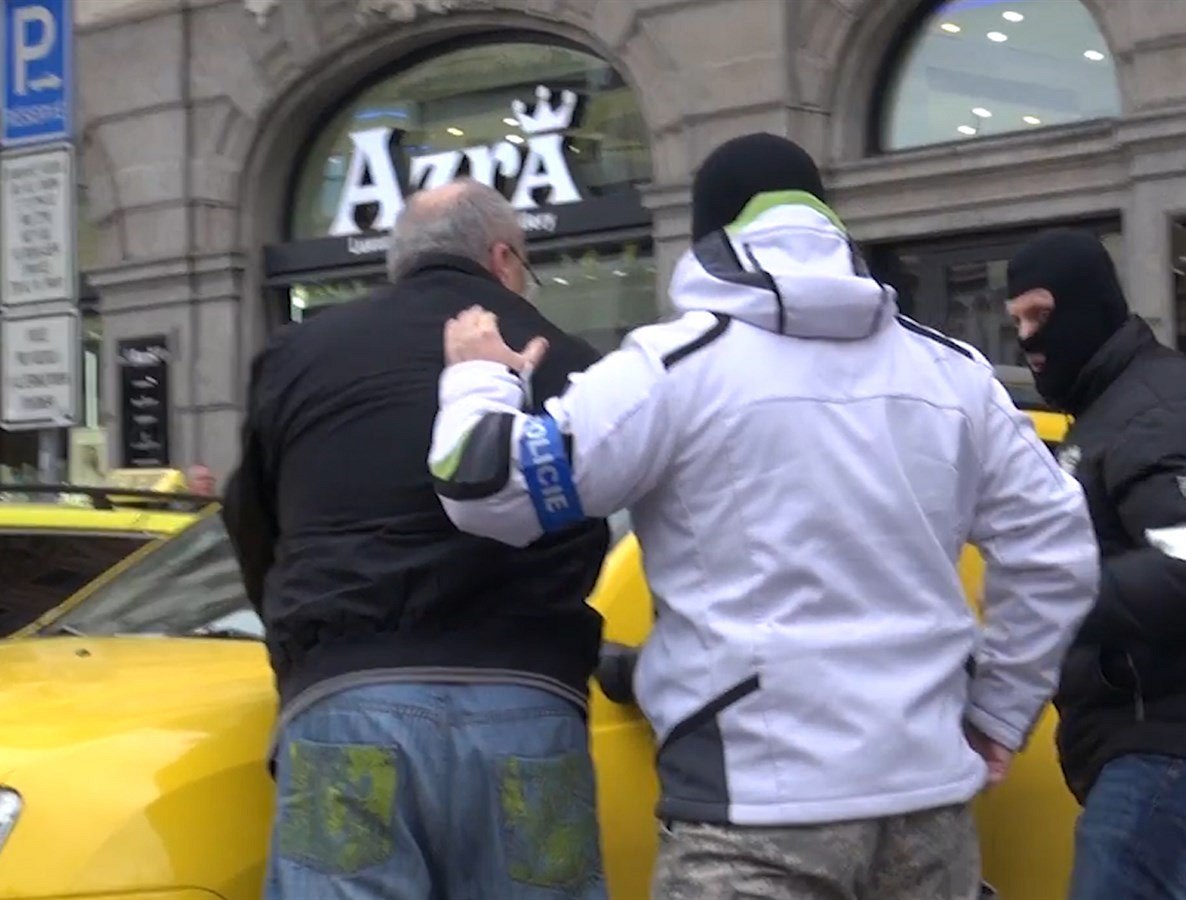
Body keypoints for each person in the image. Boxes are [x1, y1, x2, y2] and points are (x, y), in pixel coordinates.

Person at [428, 133, 1100, 900]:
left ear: (708, 235)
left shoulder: (673, 368)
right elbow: (1057, 549)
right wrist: (998, 711)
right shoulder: (953, 372)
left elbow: (485, 486)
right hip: (926, 807)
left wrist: (480, 376)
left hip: (752, 809)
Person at [222, 179, 613, 900]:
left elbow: (251, 517)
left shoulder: (301, 354)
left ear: (399, 260)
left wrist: (303, 642)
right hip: (525, 708)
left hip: (348, 702)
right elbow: (591, 529)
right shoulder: (569, 360)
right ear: (503, 259)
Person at [1003, 229, 1186, 900]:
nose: (1026, 338)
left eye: (1039, 315)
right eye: (1016, 321)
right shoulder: (1111, 413)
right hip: (1161, 738)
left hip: (1180, 740)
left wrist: (1050, 604)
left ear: (1089, 302)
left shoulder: (1160, 409)